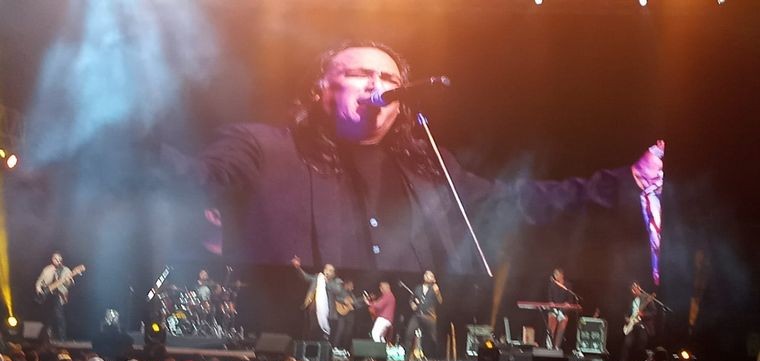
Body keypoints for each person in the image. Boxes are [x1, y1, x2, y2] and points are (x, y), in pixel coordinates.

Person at [165, 40, 665, 275]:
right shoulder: (262, 147)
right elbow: (194, 177)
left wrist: (624, 182)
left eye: (387, 79)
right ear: (320, 90)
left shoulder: (427, 167)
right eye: (359, 73)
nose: (376, 85)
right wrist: (137, 151)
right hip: (287, 357)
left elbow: (514, 202)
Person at [292, 255, 343, 342]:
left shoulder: (337, 281)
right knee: (313, 333)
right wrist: (298, 268)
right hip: (314, 311)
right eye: (326, 269)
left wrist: (327, 282)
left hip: (329, 314)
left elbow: (338, 290)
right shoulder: (318, 278)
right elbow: (306, 277)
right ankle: (310, 348)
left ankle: (325, 348)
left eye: (330, 270)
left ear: (334, 274)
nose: (327, 271)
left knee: (326, 336)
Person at [34, 252, 79, 341]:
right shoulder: (47, 269)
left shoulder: (65, 270)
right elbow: (39, 281)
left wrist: (67, 281)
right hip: (47, 295)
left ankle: (62, 338)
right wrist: (38, 288)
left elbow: (70, 284)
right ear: (52, 259)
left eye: (59, 259)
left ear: (61, 260)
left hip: (59, 295)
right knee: (48, 316)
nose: (57, 260)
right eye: (55, 258)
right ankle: (46, 336)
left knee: (59, 316)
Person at [404, 270, 443, 359]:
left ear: (433, 279)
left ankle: (434, 358)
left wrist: (437, 293)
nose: (427, 276)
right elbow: (412, 298)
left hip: (429, 316)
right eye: (426, 274)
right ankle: (406, 357)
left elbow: (440, 301)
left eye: (430, 275)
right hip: (418, 315)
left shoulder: (434, 288)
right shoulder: (418, 288)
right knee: (409, 333)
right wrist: (412, 304)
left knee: (432, 338)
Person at [619, 282, 657, 361]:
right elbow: (627, 313)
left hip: (642, 325)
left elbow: (653, 312)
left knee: (641, 345)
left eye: (635, 288)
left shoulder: (647, 298)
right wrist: (626, 318)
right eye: (632, 289)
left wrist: (643, 315)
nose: (633, 291)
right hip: (632, 325)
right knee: (627, 343)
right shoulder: (632, 300)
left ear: (639, 288)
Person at [546, 268, 574, 350]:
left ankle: (557, 347)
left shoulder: (567, 285)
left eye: (557, 274)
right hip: (553, 310)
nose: (555, 276)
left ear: (562, 275)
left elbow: (570, 298)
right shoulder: (552, 284)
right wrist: (551, 303)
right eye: (555, 274)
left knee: (561, 329)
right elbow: (550, 297)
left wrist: (567, 304)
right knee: (551, 328)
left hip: (563, 310)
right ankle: (549, 347)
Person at [332, 280, 358, 351]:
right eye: (351, 286)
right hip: (341, 313)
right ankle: (335, 348)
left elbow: (356, 303)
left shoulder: (351, 294)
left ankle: (345, 349)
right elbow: (335, 298)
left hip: (350, 314)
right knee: (340, 330)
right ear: (347, 284)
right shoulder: (340, 290)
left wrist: (363, 300)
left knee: (348, 332)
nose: (352, 288)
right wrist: (344, 300)